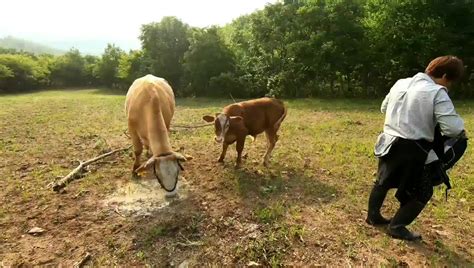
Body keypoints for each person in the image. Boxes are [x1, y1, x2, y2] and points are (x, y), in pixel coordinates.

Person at [366, 55, 468, 241]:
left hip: (387, 142)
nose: (449, 86)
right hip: (412, 149)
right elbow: (454, 129)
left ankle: (373, 216)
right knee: (423, 191)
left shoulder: (400, 83)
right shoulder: (437, 91)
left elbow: (383, 108)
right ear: (445, 75)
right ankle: (396, 226)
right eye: (450, 81)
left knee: (383, 181)